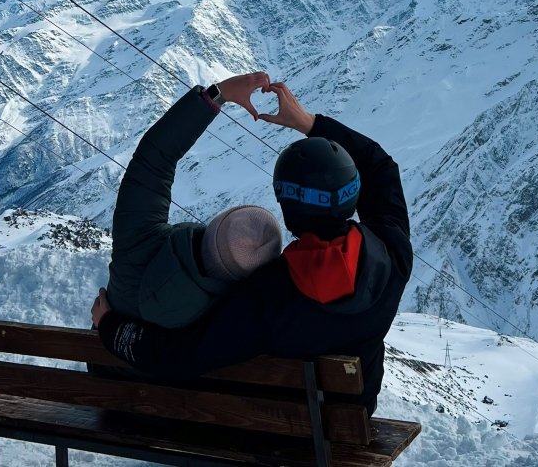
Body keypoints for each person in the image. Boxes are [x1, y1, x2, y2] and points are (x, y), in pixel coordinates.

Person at [92, 78, 412, 415]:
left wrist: (111, 326)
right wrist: (309, 123)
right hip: (340, 430)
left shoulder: (268, 295)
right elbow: (381, 169)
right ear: (354, 193)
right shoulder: (393, 252)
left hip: (273, 435)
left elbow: (182, 355)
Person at [104, 72, 283, 330]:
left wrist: (218, 95)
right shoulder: (230, 325)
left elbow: (154, 159)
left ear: (215, 226)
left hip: (103, 362)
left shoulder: (139, 244)